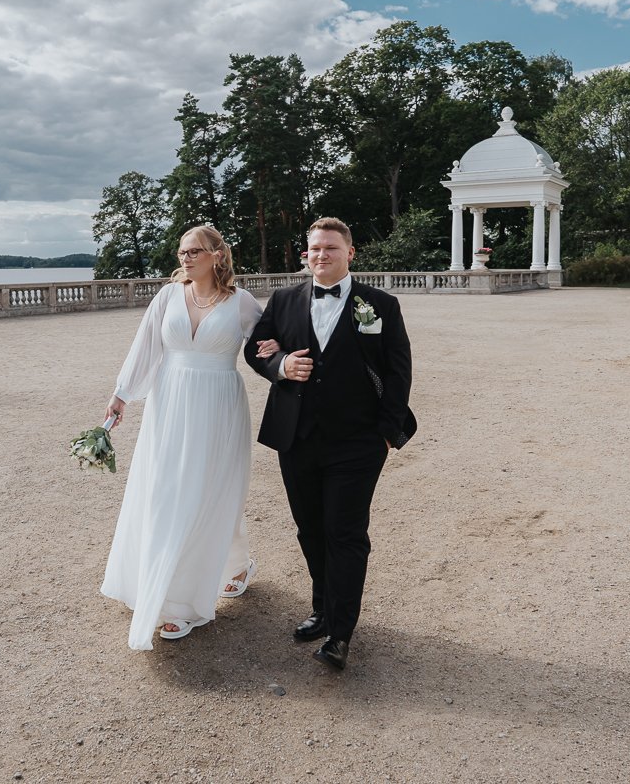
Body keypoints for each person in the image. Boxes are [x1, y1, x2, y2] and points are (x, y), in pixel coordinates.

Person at [244, 217, 416, 671]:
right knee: (310, 529)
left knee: (346, 533)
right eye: (314, 249)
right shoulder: (284, 299)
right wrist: (281, 366)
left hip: (357, 443)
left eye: (331, 248)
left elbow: (399, 371)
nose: (321, 255)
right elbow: (255, 349)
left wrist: (385, 433)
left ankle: (341, 633)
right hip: (295, 438)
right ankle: (321, 608)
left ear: (350, 253)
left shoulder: (380, 304)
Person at [100, 225, 265, 649]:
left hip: (219, 406)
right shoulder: (167, 296)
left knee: (208, 492)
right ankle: (191, 582)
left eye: (194, 251)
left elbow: (268, 347)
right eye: (182, 252)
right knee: (168, 493)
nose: (185, 258)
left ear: (217, 255)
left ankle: (183, 604)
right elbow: (145, 348)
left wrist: (282, 357)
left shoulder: (242, 303)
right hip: (169, 405)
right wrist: (121, 395)